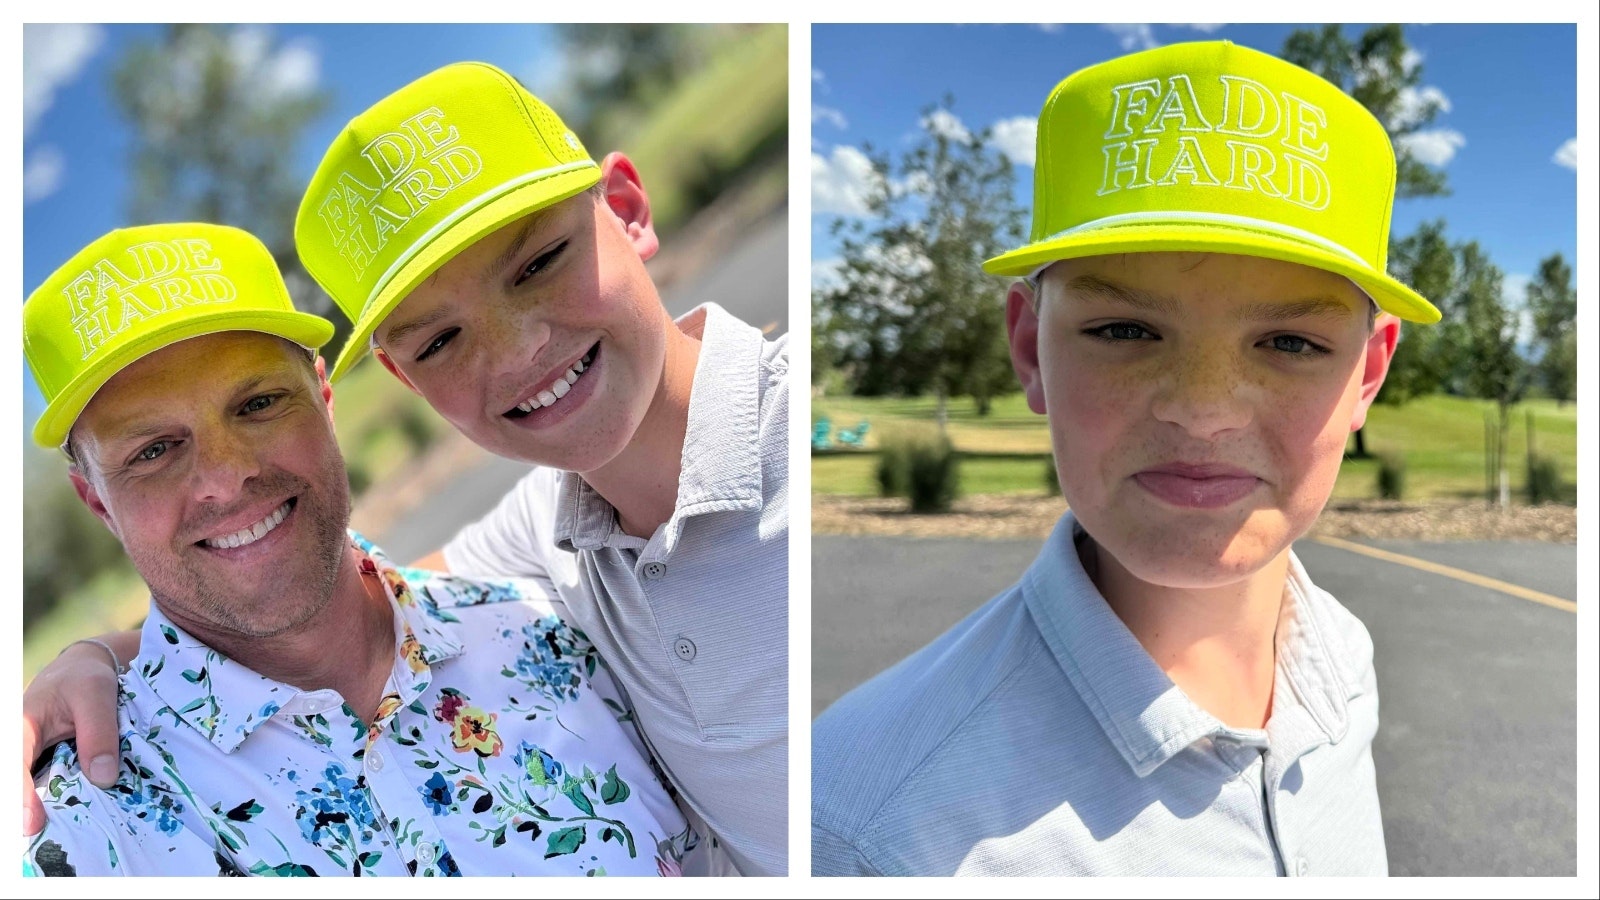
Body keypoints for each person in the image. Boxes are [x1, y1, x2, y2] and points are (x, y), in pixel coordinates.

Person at [22, 61, 787, 876]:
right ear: (95, 503)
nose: (224, 479)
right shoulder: (73, 827)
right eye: (151, 452)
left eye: (256, 405)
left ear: (326, 401)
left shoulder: (535, 621)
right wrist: (98, 655)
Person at [811, 40, 1439, 876]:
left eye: (1291, 341)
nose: (1204, 411)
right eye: (1124, 331)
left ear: (1368, 374)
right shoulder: (867, 829)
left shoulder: (1343, 662)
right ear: (1031, 349)